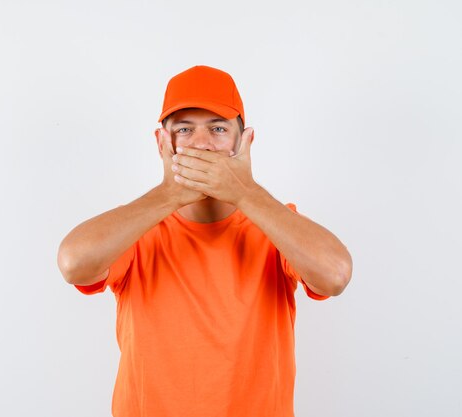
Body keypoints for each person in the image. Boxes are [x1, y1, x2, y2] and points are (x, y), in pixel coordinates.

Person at [57, 65, 353, 417]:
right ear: (162, 143)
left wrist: (246, 194)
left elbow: (335, 274)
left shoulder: (275, 225)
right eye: (185, 129)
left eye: (218, 129)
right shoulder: (136, 228)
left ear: (245, 142)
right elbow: (73, 263)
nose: (201, 144)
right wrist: (168, 195)